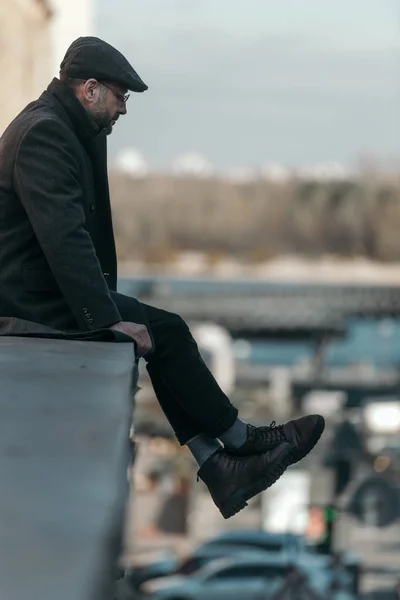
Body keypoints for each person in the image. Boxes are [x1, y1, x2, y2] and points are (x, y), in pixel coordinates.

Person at [0, 36, 324, 519]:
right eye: (120, 96)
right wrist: (105, 320)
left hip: (39, 289)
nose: (124, 109)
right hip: (28, 302)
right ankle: (235, 448)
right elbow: (65, 239)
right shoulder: (46, 134)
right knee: (163, 333)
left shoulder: (61, 126)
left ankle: (220, 460)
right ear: (89, 90)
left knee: (163, 331)